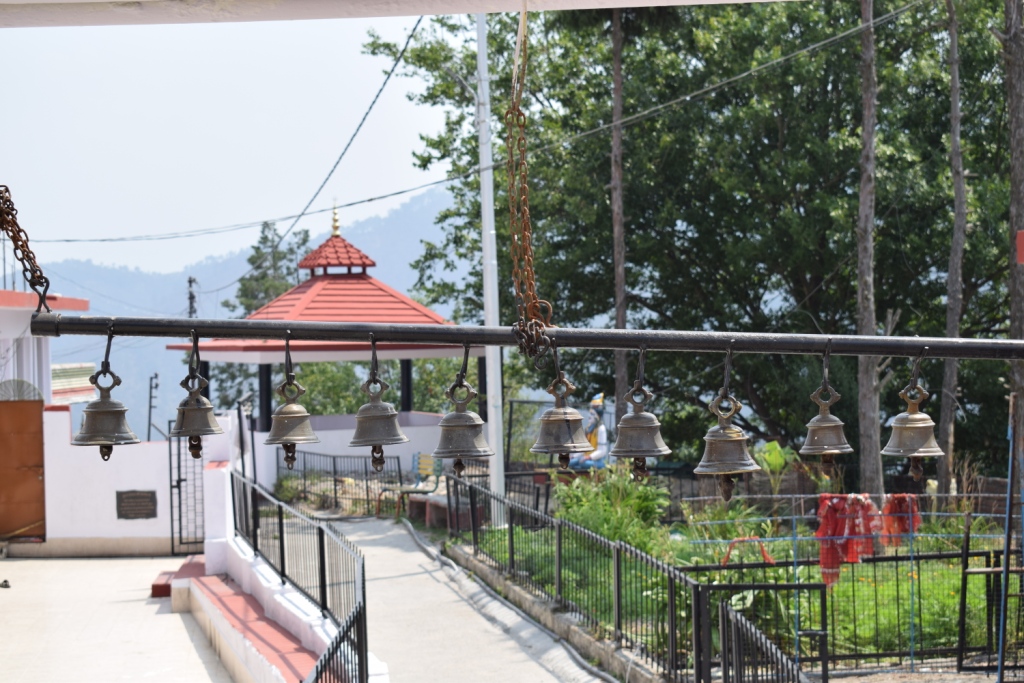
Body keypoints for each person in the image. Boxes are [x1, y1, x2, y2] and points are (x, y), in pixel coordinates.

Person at [569, 393, 608, 469]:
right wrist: (573, 456)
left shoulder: (601, 428)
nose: (590, 416)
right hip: (585, 458)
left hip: (597, 460)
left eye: (592, 414)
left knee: (584, 463)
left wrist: (589, 457)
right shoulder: (588, 429)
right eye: (590, 413)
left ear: (598, 416)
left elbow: (602, 451)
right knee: (570, 462)